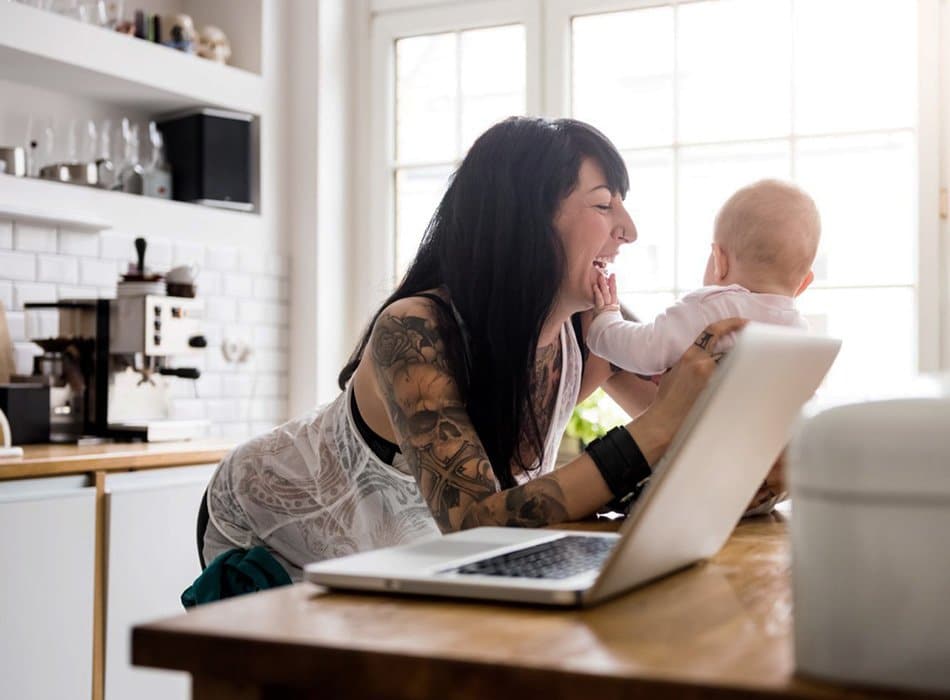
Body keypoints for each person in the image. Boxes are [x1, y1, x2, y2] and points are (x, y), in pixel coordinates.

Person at [199, 117, 751, 582]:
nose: (627, 230)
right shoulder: (414, 329)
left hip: (402, 546)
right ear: (527, 221)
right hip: (270, 522)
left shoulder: (596, 329)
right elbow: (474, 525)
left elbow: (693, 428)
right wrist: (656, 429)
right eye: (604, 204)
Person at [588, 179, 821, 376]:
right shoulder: (800, 333)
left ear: (720, 261)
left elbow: (645, 350)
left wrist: (605, 322)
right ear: (803, 284)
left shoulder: (711, 308)